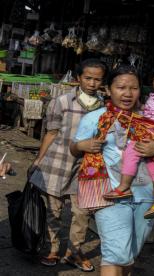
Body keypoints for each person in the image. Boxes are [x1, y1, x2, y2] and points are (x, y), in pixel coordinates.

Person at [70, 65, 154, 276]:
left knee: (129, 255)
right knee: (114, 254)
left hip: (147, 196)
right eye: (121, 87)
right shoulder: (95, 118)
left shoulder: (153, 120)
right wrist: (83, 146)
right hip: (110, 195)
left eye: (134, 88)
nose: (127, 93)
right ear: (108, 90)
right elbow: (74, 148)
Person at [29, 58, 106, 272]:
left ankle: (74, 252)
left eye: (97, 79)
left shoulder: (104, 107)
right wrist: (38, 160)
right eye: (88, 78)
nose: (92, 83)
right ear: (78, 78)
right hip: (57, 164)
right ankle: (53, 249)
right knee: (54, 210)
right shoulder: (61, 102)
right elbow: (51, 133)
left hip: (85, 168)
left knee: (82, 213)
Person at [103, 60, 154, 219]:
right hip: (151, 130)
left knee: (131, 151)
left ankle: (124, 186)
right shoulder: (153, 95)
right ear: (153, 79)